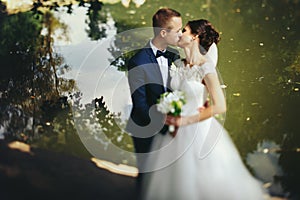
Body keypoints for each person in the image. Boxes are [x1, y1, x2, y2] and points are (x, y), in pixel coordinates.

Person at [139, 19, 269, 200]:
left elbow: (220, 106)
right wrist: (168, 111)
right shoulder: (178, 65)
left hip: (197, 129)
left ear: (195, 36)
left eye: (184, 30)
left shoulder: (205, 67)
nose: (179, 34)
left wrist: (185, 120)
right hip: (173, 132)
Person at [125, 7, 182, 195]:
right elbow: (140, 105)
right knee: (147, 176)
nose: (181, 34)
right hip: (145, 128)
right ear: (164, 33)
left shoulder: (174, 55)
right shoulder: (137, 62)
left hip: (172, 126)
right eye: (178, 30)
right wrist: (166, 121)